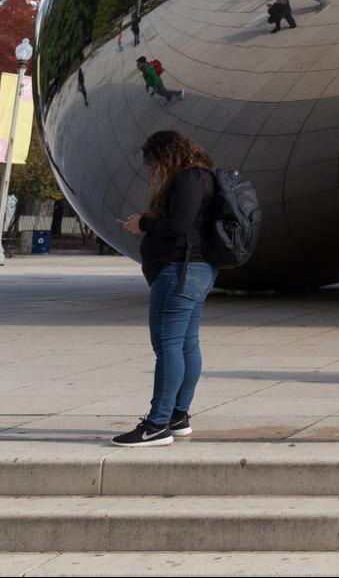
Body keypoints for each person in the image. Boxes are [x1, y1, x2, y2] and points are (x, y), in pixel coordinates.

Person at [113, 130, 218, 446]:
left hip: (179, 270)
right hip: (195, 269)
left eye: (155, 163)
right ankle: (178, 417)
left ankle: (157, 423)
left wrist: (142, 224)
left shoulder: (188, 179)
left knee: (169, 345)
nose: (155, 171)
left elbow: (178, 226)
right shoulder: (204, 177)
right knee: (186, 343)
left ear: (167, 155)